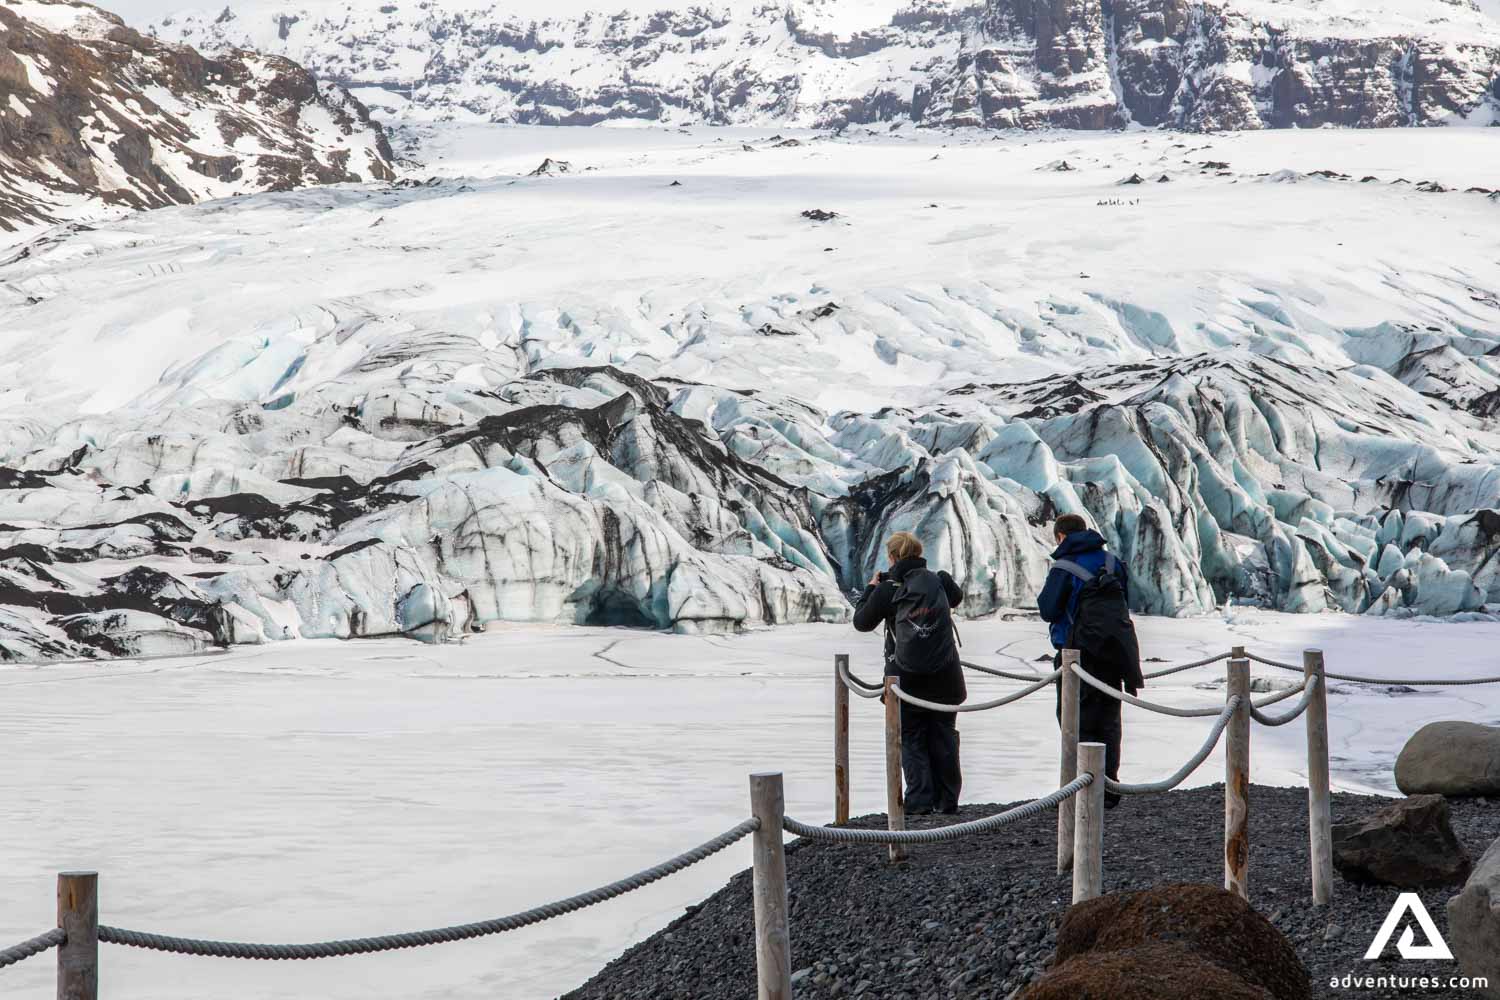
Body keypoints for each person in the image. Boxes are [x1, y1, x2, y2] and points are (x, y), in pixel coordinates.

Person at [852, 531, 966, 815]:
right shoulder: (938, 582)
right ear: (918, 553)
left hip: (905, 678)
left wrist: (870, 589)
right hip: (946, 676)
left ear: (892, 557)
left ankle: (919, 802)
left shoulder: (889, 589)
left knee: (912, 738)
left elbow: (862, 622)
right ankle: (948, 801)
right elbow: (956, 597)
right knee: (944, 735)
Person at [1038, 514, 1143, 809]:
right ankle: (1108, 785)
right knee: (1108, 719)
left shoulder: (1063, 567)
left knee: (1074, 719)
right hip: (1113, 653)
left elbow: (1048, 609)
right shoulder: (1112, 563)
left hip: (1075, 656)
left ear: (1060, 536)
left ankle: (1079, 785)